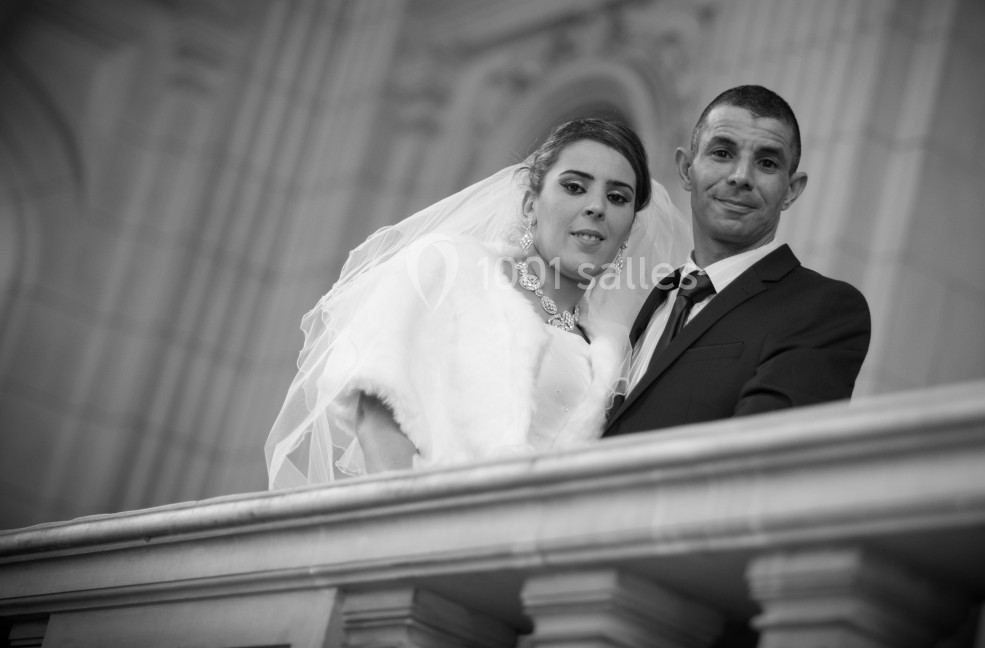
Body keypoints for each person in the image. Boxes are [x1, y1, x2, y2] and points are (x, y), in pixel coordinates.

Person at [266, 117, 688, 487]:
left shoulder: (611, 353)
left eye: (618, 198)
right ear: (530, 204)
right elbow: (377, 408)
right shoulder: (450, 267)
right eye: (575, 187)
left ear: (628, 232)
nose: (596, 207)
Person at [603, 85, 870, 436]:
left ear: (791, 189)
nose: (741, 176)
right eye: (722, 153)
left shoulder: (823, 308)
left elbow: (762, 462)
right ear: (686, 169)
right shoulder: (651, 296)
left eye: (767, 163)